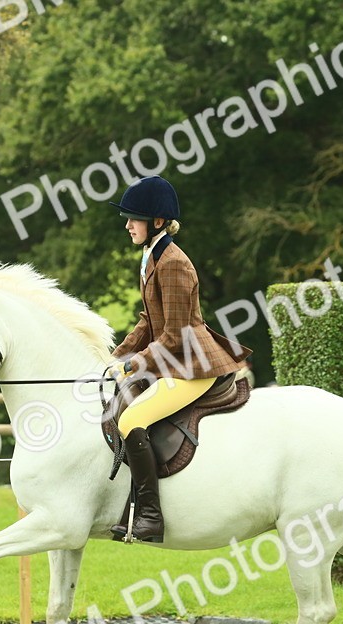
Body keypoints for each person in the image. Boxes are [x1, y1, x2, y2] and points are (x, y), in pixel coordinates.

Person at [107, 175, 250, 542]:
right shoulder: (151, 256)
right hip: (173, 359)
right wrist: (116, 355)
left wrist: (133, 365)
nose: (127, 225)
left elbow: (172, 336)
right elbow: (147, 319)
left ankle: (150, 517)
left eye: (133, 219)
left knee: (132, 419)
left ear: (156, 222)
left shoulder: (174, 263)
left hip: (193, 365)